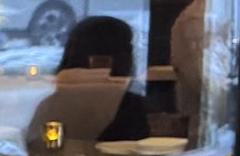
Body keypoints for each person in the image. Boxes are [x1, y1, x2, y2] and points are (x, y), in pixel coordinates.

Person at [25, 15, 150, 148]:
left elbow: (33, 147)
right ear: (121, 55)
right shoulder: (130, 106)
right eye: (128, 47)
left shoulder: (49, 103)